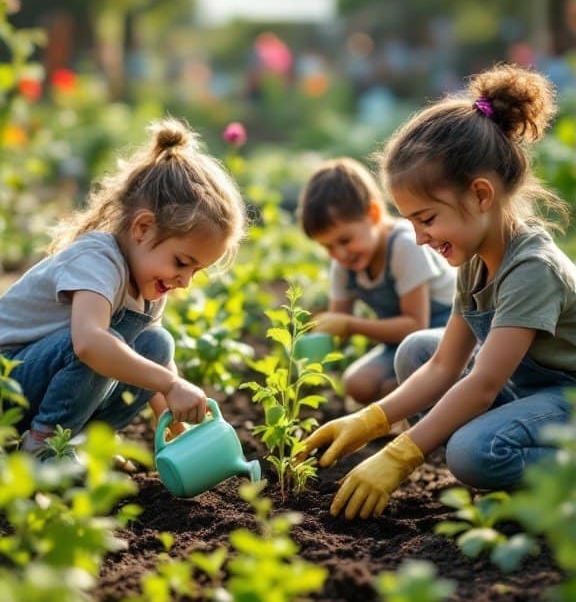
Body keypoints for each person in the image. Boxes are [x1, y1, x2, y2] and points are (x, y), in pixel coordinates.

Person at [299, 63, 576, 520]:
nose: (420, 237)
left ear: (481, 195)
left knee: (469, 454)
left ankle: (545, 482)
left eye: (427, 219)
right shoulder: (474, 261)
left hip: (565, 397)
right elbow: (445, 364)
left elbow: (484, 385)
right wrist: (370, 422)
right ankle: (514, 475)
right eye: (410, 222)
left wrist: (402, 454)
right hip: (533, 392)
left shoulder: (531, 268)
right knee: (416, 353)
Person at [0, 117, 246, 460]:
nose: (185, 281)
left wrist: (172, 422)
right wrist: (170, 384)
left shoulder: (149, 286)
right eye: (181, 262)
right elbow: (87, 344)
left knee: (157, 344)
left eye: (197, 271)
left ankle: (81, 445)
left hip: (38, 385)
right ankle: (43, 448)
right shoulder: (98, 260)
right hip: (9, 379)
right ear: (143, 227)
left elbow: (153, 362)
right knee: (102, 343)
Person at [297, 157, 455, 404]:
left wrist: (350, 325)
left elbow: (416, 326)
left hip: (447, 335)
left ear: (373, 214)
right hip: (400, 344)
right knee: (357, 385)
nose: (338, 254)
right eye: (327, 247)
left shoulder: (405, 245)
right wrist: (314, 336)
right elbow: (339, 329)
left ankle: (426, 400)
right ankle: (415, 400)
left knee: (411, 383)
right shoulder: (343, 265)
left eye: (345, 240)